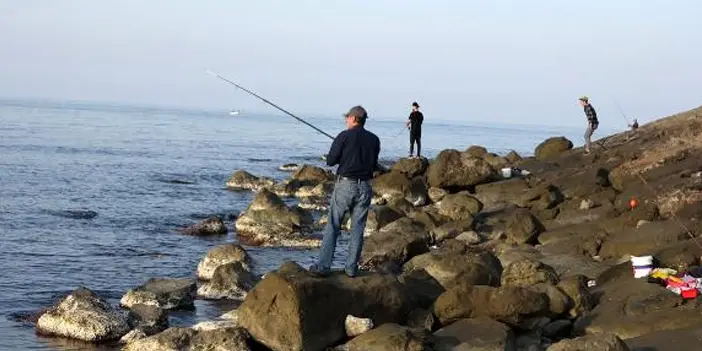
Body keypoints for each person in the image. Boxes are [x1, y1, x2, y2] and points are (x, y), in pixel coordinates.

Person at [310, 105, 380, 277]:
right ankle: (351, 268)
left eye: (347, 117)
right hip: (364, 186)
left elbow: (331, 161)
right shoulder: (374, 139)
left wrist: (339, 155)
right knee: (357, 228)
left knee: (333, 225)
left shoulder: (344, 136)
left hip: (346, 185)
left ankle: (323, 266)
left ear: (354, 119)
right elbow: (373, 164)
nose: (346, 120)